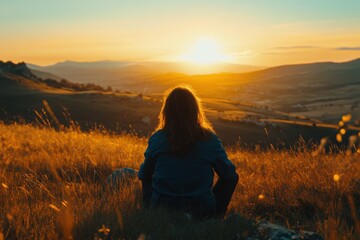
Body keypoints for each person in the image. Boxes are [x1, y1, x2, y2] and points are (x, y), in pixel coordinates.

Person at [138, 86, 239, 219]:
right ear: (195, 111)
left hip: (161, 210)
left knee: (146, 177)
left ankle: (149, 212)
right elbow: (230, 175)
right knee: (232, 178)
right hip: (201, 211)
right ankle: (214, 217)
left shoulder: (158, 138)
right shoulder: (209, 139)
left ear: (166, 112)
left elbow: (144, 174)